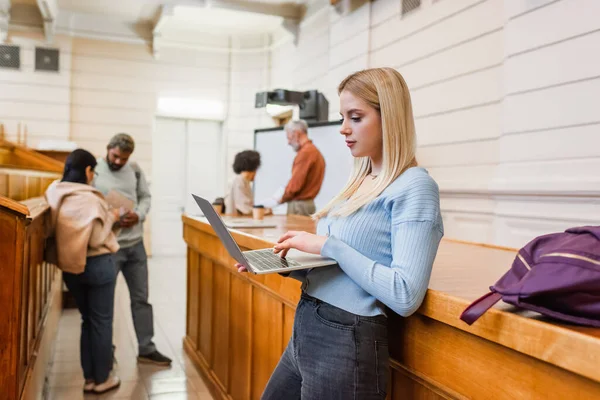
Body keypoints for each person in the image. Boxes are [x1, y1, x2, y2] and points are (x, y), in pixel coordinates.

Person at [237, 68, 444, 399]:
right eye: (342, 117)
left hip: (347, 337)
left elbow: (405, 295)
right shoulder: (358, 181)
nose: (344, 129)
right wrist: (285, 265)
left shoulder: (415, 187)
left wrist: (329, 246)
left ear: (389, 117)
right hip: (309, 321)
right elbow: (340, 269)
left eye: (356, 117)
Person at [45, 149, 121, 394]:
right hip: (98, 266)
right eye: (93, 172)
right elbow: (97, 238)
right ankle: (102, 380)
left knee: (87, 321)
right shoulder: (89, 198)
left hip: (71, 267)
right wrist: (112, 216)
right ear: (88, 171)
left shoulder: (54, 191)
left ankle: (89, 378)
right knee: (101, 322)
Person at [94, 133, 172, 366]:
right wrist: (112, 216)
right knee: (105, 303)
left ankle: (146, 348)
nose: (118, 162)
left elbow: (145, 197)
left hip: (135, 245)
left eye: (123, 158)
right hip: (109, 246)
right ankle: (105, 351)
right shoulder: (95, 170)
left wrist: (138, 214)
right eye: (115, 156)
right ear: (108, 148)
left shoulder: (135, 170)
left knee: (141, 299)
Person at [278, 120, 326, 216]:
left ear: (296, 134)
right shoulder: (315, 151)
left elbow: (295, 186)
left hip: (299, 206)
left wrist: (280, 199)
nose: (288, 142)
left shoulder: (305, 153)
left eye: (289, 137)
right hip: (306, 205)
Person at [224, 150, 261, 215]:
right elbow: (244, 208)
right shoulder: (239, 180)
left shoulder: (242, 181)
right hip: (236, 221)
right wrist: (265, 211)